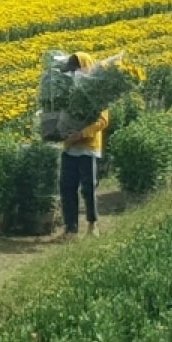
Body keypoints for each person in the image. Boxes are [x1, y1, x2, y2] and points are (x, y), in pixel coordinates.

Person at [59, 52, 109, 239]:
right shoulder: (68, 91)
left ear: (85, 68)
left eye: (76, 71)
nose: (73, 75)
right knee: (67, 188)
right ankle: (70, 229)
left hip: (88, 149)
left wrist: (81, 134)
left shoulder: (97, 91)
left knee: (88, 189)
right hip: (70, 149)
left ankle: (92, 225)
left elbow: (102, 121)